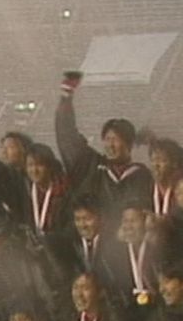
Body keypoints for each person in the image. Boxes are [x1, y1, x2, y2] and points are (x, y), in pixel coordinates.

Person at [55, 71, 153, 219]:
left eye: (116, 139)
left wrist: (157, 144)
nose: (110, 145)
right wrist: (66, 98)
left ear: (128, 144)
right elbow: (66, 135)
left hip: (129, 238)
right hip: (96, 238)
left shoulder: (142, 176)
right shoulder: (90, 167)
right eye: (107, 139)